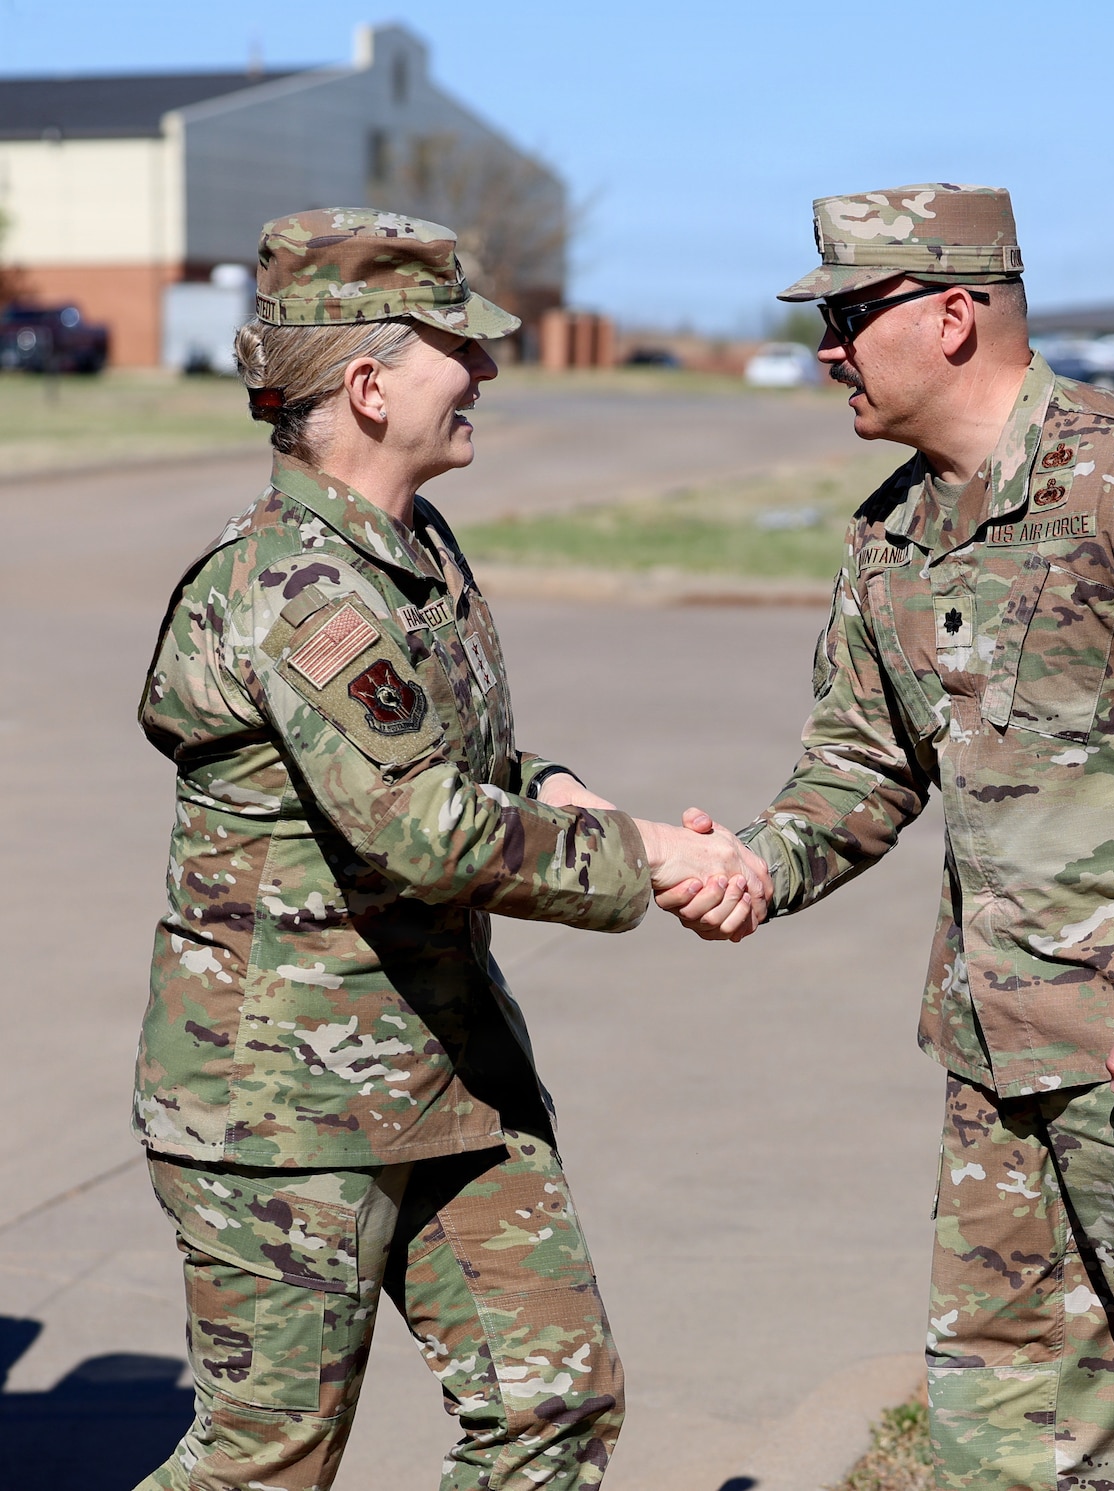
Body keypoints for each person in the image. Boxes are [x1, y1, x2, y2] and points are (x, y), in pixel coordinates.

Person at [661, 184, 1114, 1491]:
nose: (828, 349)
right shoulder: (893, 533)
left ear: (955, 315)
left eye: (853, 315)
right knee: (1015, 1444)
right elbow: (860, 763)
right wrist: (759, 863)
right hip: (1001, 1084)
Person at [133, 208, 758, 1491]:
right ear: (366, 387)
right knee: (266, 1463)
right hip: (288, 1109)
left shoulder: (408, 546)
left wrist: (559, 786)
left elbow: (448, 761)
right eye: (451, 350)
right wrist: (649, 857)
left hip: (446, 1072)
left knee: (553, 1406)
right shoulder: (298, 587)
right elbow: (422, 829)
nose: (482, 373)